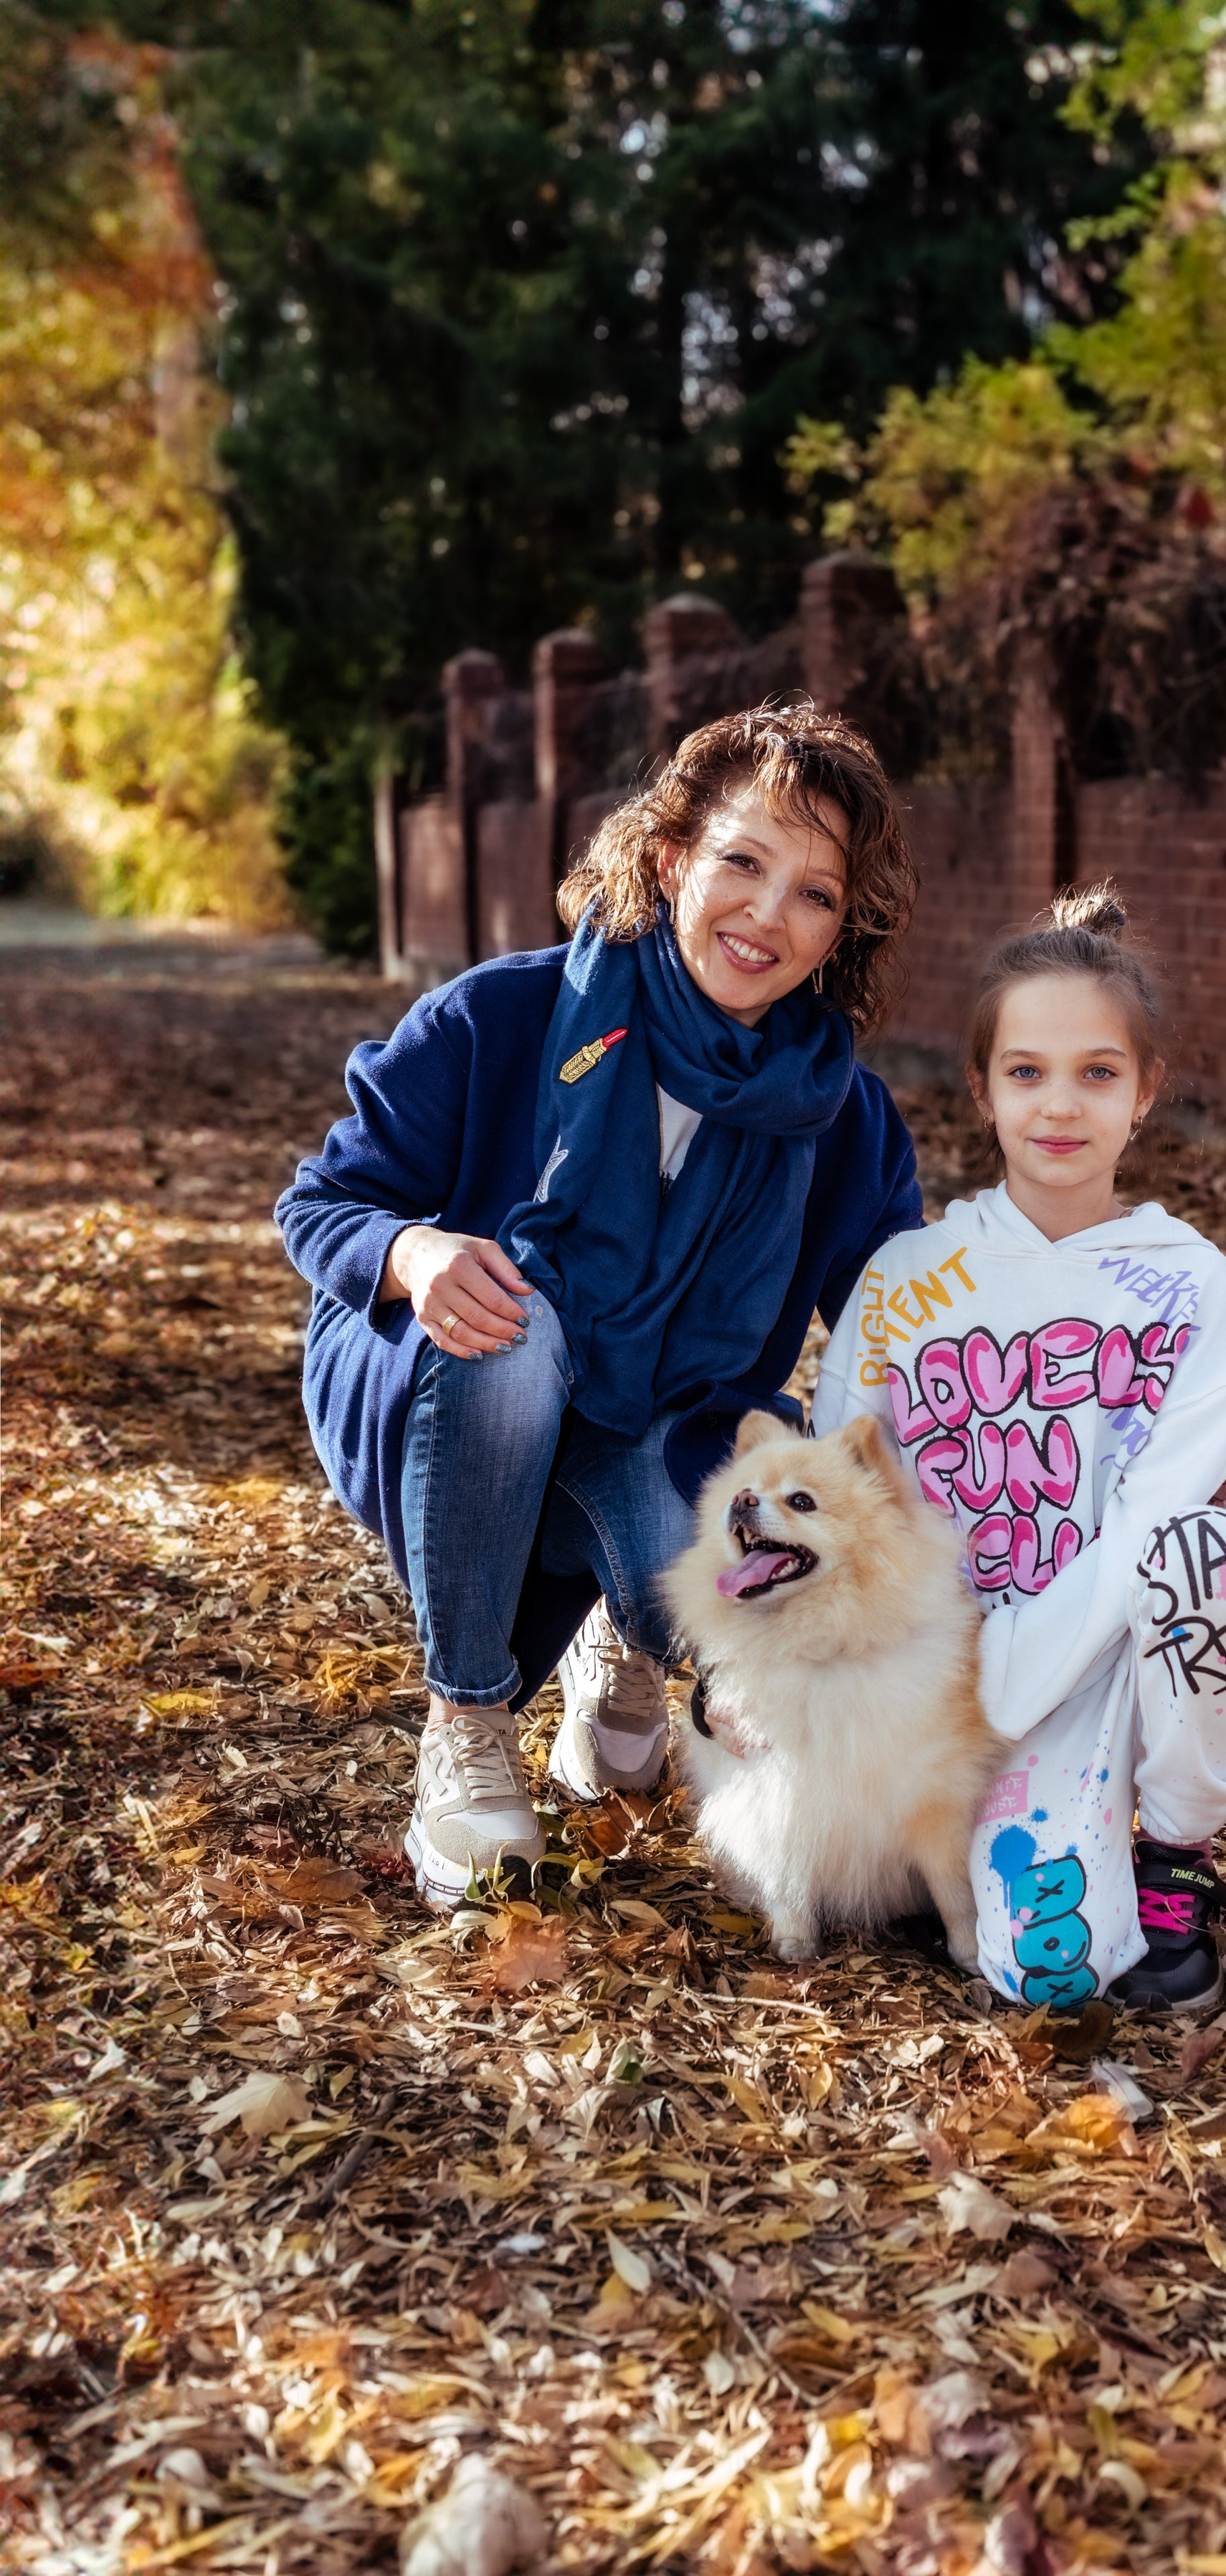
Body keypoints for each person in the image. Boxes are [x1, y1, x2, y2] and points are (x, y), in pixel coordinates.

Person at [276, 703, 923, 1907]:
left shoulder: (844, 1116)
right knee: (514, 1329)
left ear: (842, 929)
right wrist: (412, 1254)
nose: (766, 917)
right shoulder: (504, 1017)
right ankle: (466, 1732)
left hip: (665, 1417)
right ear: (671, 856)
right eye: (742, 862)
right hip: (457, 1384)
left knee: (742, 1607)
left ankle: (626, 1641)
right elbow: (323, 1204)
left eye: (814, 894)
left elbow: (902, 1325)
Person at [813, 884, 1226, 2016]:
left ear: (1145, 1094)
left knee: (1218, 1559)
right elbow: (838, 1501)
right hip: (939, 1684)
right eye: (1027, 1072)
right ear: (982, 1090)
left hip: (1099, 1669)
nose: (1061, 1106)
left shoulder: (1190, 1288)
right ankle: (967, 1842)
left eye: (1098, 1072)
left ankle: (1175, 1852)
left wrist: (1014, 1689)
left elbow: (1150, 1532)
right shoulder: (906, 1280)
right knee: (1050, 1964)